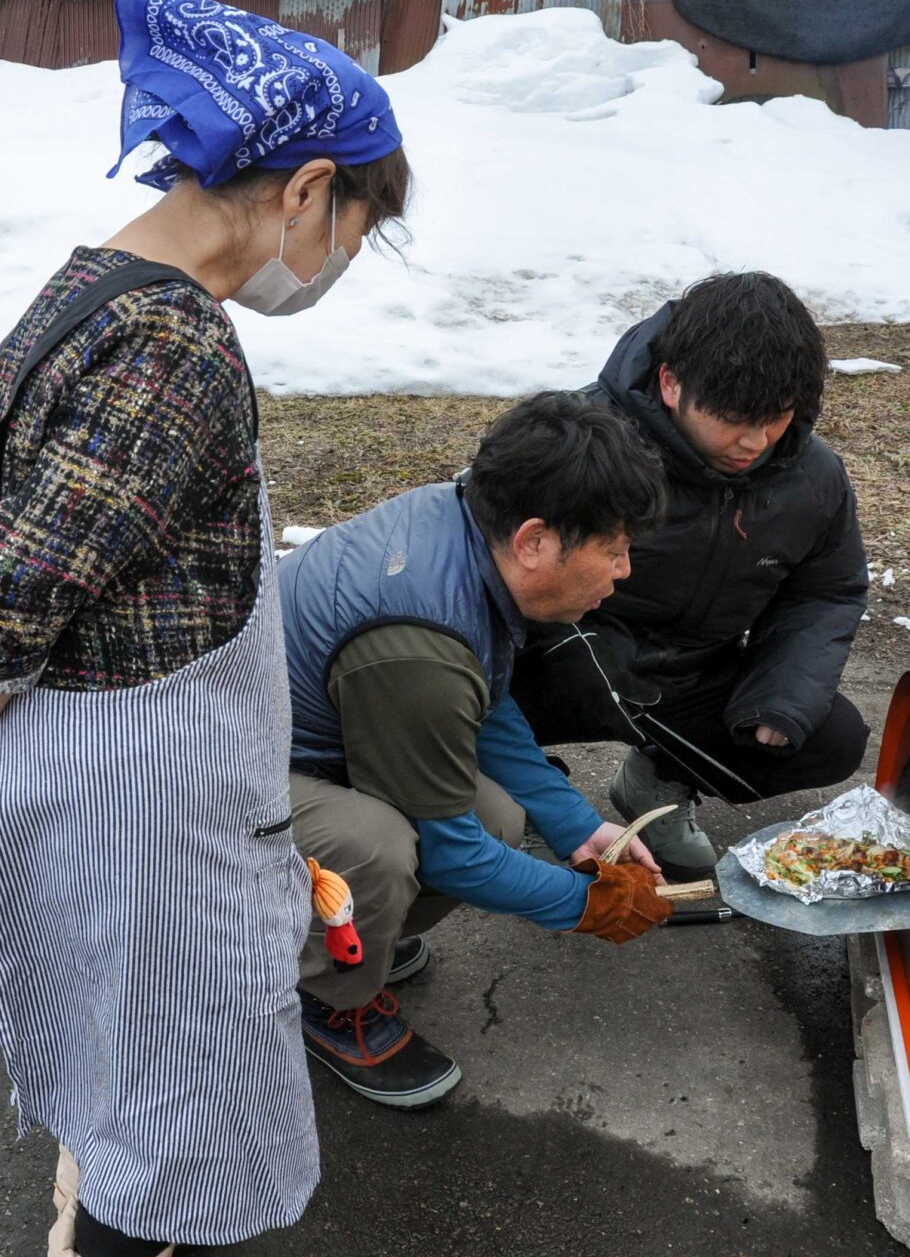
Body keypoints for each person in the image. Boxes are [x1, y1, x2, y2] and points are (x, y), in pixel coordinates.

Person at [0, 0, 411, 1257]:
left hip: (79, 753)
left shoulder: (83, 290)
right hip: (138, 783)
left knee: (108, 1008)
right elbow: (13, 589)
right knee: (177, 1018)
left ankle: (104, 1208)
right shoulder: (176, 344)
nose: (342, 254)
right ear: (305, 190)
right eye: (356, 223)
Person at [283, 393, 674, 1109]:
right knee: (376, 847)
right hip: (211, 786)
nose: (622, 572)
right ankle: (323, 991)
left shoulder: (464, 524)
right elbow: (452, 854)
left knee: (498, 817)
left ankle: (361, 936)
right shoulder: (418, 640)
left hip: (321, 743)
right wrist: (587, 907)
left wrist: (577, 826)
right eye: (612, 550)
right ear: (534, 542)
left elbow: (484, 707)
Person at [508, 272, 871, 877]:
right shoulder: (575, 442)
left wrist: (780, 698)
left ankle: (657, 782)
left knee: (828, 735)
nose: (754, 441)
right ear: (671, 382)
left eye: (777, 416)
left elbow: (825, 592)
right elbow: (479, 572)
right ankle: (533, 795)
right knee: (489, 695)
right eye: (732, 416)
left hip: (688, 674)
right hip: (560, 659)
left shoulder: (813, 477)